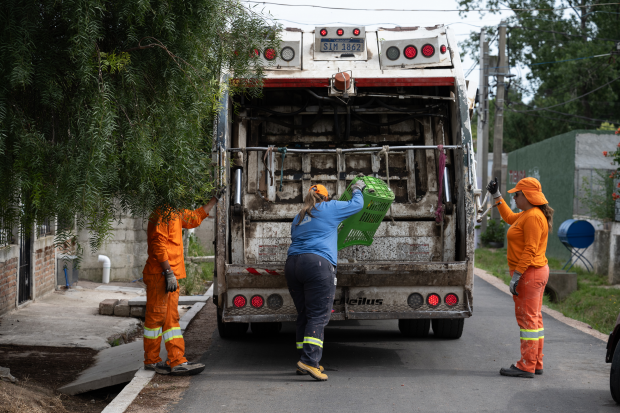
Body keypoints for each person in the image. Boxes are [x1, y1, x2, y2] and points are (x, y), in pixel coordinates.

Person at [285, 182, 365, 381]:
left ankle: (304, 359)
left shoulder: (298, 217)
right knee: (318, 316)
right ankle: (310, 361)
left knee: (304, 314)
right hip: (317, 265)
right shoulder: (329, 207)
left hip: (293, 265)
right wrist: (357, 189)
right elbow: (357, 205)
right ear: (326, 197)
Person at [486, 177, 554, 379]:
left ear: (527, 196)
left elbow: (530, 249)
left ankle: (526, 365)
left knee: (527, 320)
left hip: (529, 273)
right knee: (535, 319)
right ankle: (536, 362)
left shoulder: (533, 217)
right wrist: (497, 195)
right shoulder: (528, 214)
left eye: (517, 194)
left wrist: (516, 276)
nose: (514, 197)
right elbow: (508, 217)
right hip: (534, 272)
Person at [143, 197, 218, 376]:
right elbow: (158, 244)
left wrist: (214, 201)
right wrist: (168, 271)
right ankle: (152, 360)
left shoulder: (174, 211)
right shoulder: (163, 213)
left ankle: (177, 360)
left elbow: (193, 218)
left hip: (169, 275)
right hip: (160, 275)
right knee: (156, 318)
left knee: (171, 319)